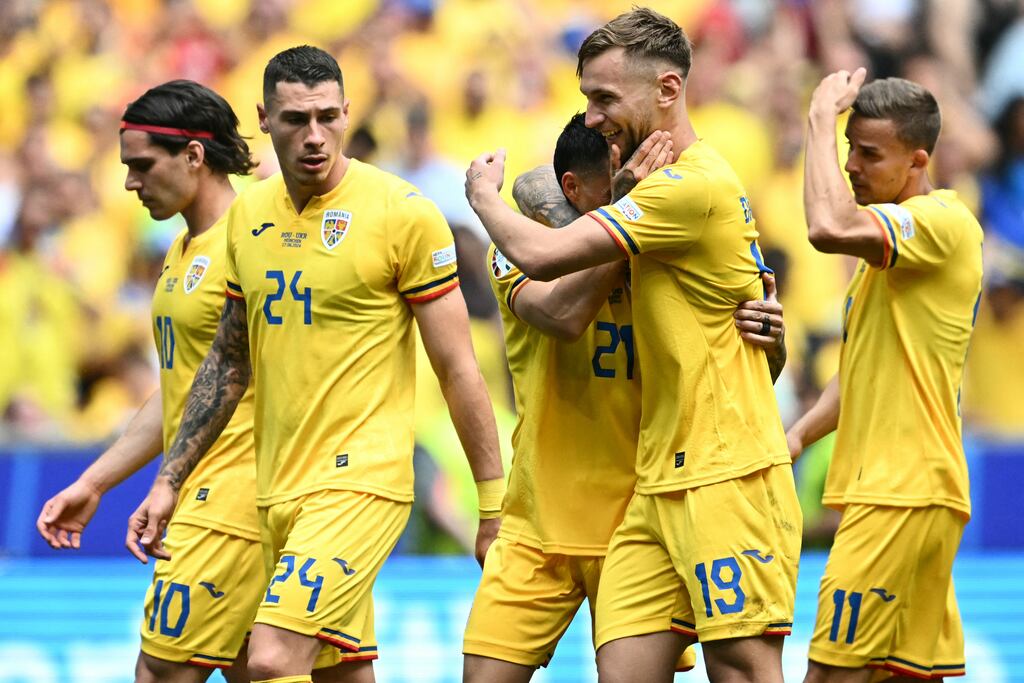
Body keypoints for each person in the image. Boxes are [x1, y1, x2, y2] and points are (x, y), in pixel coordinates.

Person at [127, 46, 505, 683]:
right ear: (264, 119)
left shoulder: (402, 214)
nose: (314, 136)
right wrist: (170, 478)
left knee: (273, 659)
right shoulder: (248, 215)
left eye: (328, 117)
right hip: (277, 490)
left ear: (348, 114)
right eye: (295, 119)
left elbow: (458, 367)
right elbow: (227, 359)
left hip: (362, 482)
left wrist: (493, 504)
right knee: (338, 672)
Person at [465, 9, 801, 682]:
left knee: (740, 670)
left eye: (604, 98)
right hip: (649, 486)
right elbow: (712, 321)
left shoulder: (688, 187)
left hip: (724, 474)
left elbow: (543, 247)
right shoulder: (645, 209)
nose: (591, 115)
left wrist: (480, 196)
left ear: (668, 90)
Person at [35, 80, 263, 683]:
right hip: (211, 497)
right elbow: (184, 391)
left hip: (229, 503)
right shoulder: (182, 250)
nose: (130, 183)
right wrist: (95, 482)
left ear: (193, 155)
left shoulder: (254, 242)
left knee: (160, 674)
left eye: (141, 166)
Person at [787, 70, 983, 682]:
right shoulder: (881, 265)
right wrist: (795, 438)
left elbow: (827, 228)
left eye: (869, 153)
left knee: (829, 676)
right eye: (847, 146)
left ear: (917, 160)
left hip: (901, 492)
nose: (851, 165)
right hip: (910, 492)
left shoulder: (938, 223)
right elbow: (857, 377)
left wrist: (819, 121)